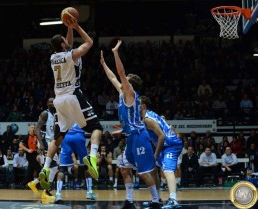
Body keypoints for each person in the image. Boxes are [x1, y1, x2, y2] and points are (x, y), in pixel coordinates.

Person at [37, 17, 103, 191]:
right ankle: (93, 158)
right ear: (63, 45)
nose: (68, 42)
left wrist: (69, 29)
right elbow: (89, 42)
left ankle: (45, 168)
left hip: (58, 100)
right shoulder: (72, 55)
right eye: (66, 41)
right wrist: (76, 26)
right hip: (73, 95)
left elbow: (69, 43)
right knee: (97, 128)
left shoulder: (53, 57)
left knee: (58, 137)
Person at [100, 40, 160, 209]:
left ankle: (156, 201)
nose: (124, 78)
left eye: (127, 78)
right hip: (130, 137)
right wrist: (104, 64)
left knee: (142, 173)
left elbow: (119, 72)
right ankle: (129, 200)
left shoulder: (131, 93)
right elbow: (113, 76)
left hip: (139, 137)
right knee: (123, 167)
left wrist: (115, 52)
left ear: (131, 83)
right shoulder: (122, 92)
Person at [140, 96, 183, 209]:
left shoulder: (148, 119)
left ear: (143, 106)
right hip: (164, 146)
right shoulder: (149, 115)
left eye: (136, 104)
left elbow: (162, 136)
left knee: (167, 170)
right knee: (152, 170)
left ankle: (173, 200)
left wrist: (155, 155)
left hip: (171, 145)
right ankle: (157, 199)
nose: (134, 106)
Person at [54, 124, 97, 203]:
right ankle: (90, 192)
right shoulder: (80, 112)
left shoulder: (64, 112)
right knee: (87, 166)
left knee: (62, 168)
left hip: (66, 137)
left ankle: (58, 194)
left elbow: (56, 126)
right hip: (79, 136)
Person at [20, 125, 53, 201]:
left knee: (30, 170)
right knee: (39, 169)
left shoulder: (37, 136)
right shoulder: (27, 137)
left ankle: (26, 183)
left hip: (36, 155)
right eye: (32, 127)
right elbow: (20, 145)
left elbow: (38, 146)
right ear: (29, 129)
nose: (33, 129)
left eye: (34, 127)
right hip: (30, 155)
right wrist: (28, 150)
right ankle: (39, 185)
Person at [35, 98, 59, 192]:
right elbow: (37, 129)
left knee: (48, 166)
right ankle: (47, 189)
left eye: (54, 101)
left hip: (54, 142)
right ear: (47, 103)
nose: (52, 103)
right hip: (46, 142)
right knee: (53, 166)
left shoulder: (57, 113)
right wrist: (41, 144)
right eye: (50, 101)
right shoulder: (45, 113)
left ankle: (35, 183)